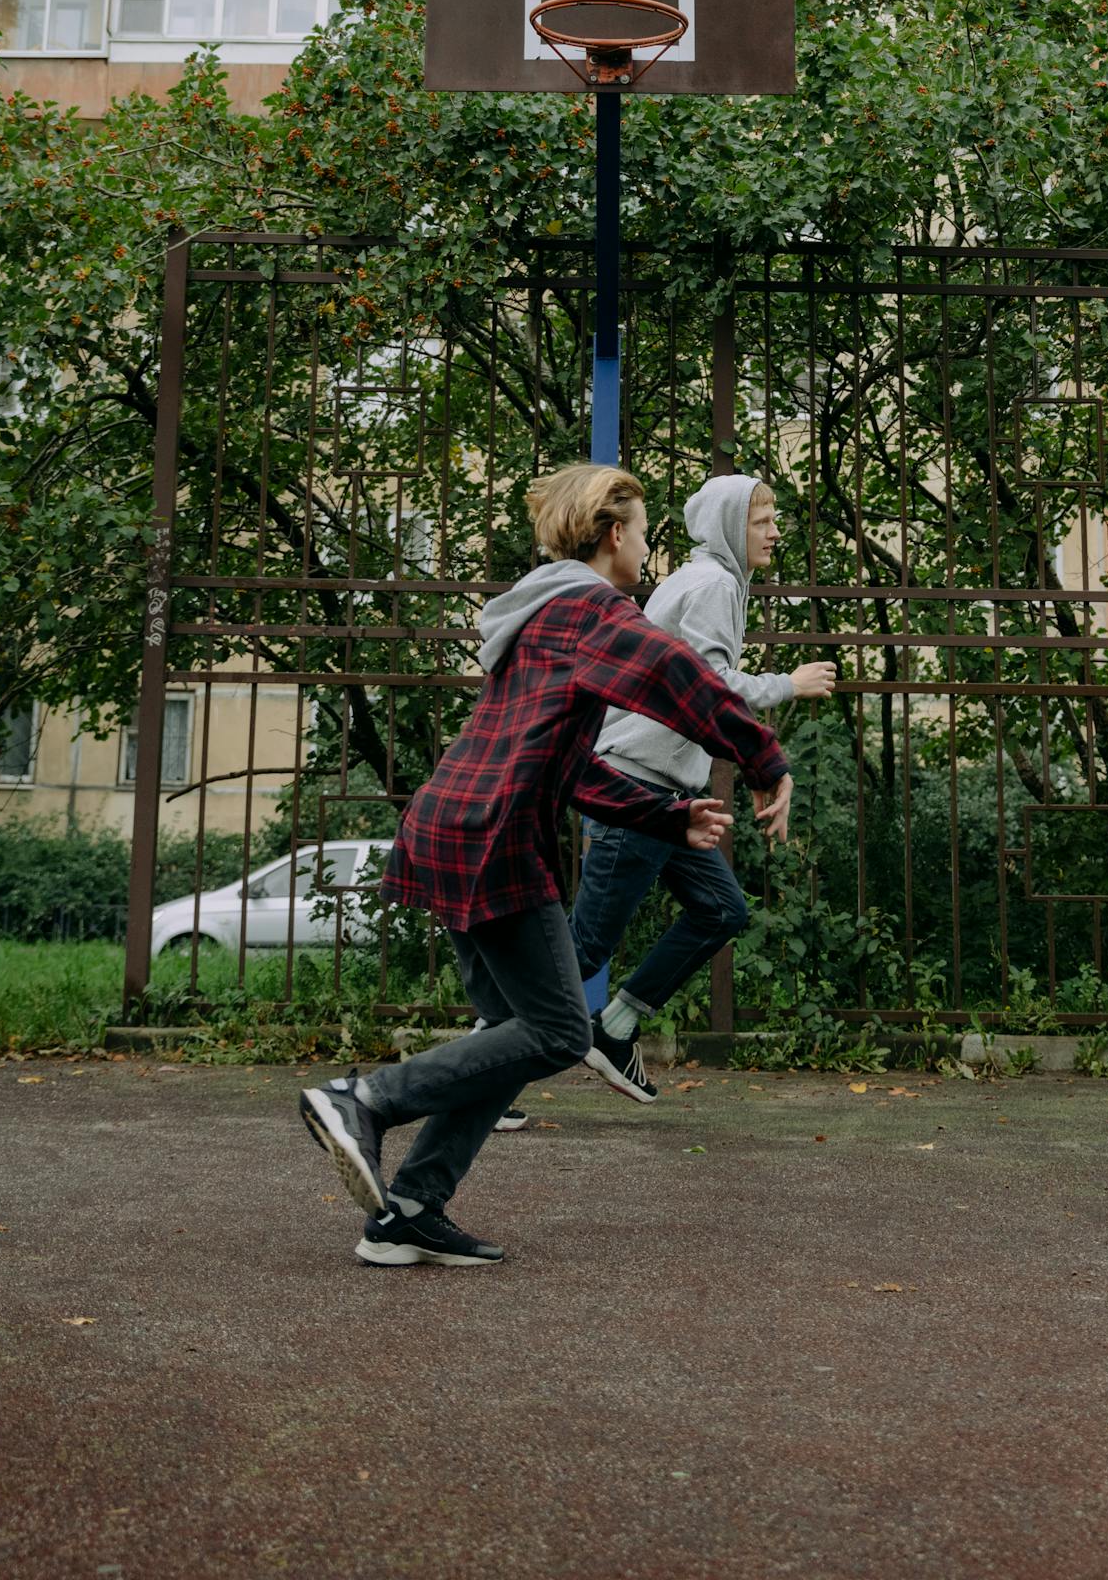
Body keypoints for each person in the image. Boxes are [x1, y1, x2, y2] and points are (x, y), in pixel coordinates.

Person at [298, 462, 792, 1268]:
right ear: (610, 533)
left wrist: (664, 813)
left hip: (455, 826)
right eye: (639, 531)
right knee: (561, 1032)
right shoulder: (590, 608)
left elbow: (570, 768)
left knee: (512, 1033)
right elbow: (679, 676)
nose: (645, 548)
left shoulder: (546, 614)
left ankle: (413, 1209)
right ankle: (366, 1100)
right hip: (495, 838)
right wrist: (764, 759)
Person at [575, 475, 834, 1102]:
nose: (776, 532)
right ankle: (476, 1067)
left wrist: (749, 763)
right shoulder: (715, 584)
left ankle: (614, 1029)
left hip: (670, 793)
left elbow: (690, 696)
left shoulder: (703, 581)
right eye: (762, 521)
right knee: (579, 949)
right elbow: (710, 685)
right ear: (726, 526)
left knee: (721, 909)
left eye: (775, 519)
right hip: (637, 786)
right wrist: (785, 685)